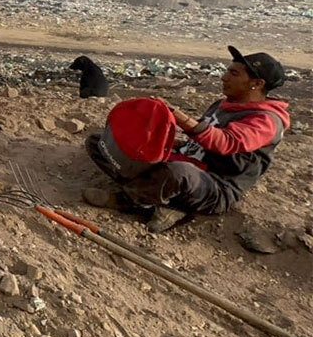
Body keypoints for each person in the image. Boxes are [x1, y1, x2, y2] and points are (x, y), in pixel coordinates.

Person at [85, 46, 290, 232]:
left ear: (257, 83)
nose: (224, 77)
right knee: (101, 142)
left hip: (213, 186)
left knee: (179, 173)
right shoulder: (224, 104)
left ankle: (128, 201)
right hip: (185, 161)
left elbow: (225, 142)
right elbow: (197, 141)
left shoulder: (266, 121)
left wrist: (178, 116)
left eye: (234, 73)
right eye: (228, 71)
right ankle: (159, 199)